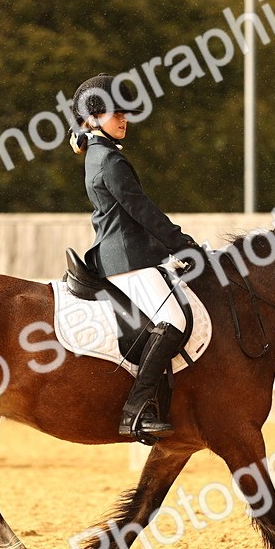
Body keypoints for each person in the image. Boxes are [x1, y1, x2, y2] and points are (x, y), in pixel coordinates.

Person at [69, 73, 204, 441]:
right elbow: (143, 212)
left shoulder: (100, 154)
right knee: (174, 321)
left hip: (130, 254)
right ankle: (136, 411)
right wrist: (183, 245)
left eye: (125, 111)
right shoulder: (109, 161)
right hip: (127, 258)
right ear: (94, 117)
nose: (124, 118)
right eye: (116, 112)